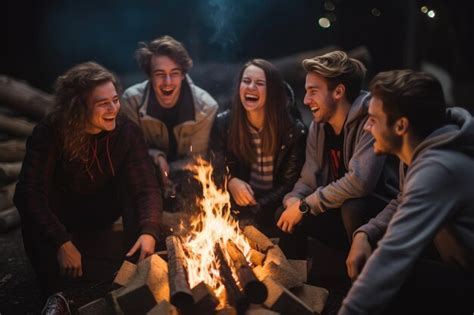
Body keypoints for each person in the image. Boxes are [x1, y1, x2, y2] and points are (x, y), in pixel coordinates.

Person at [13, 62, 162, 308]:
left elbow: (146, 187)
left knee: (137, 185)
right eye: (103, 103)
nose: (114, 108)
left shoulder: (126, 132)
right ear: (78, 107)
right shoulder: (50, 132)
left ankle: (133, 275)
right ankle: (55, 294)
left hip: (101, 211)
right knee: (31, 197)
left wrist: (149, 230)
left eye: (115, 100)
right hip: (62, 215)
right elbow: (28, 192)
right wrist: (61, 240)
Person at [340, 70, 474, 315]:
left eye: (373, 119)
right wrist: (364, 235)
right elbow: (403, 200)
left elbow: (394, 255)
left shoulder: (437, 170)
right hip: (452, 257)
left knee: (390, 275)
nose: (367, 128)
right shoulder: (422, 152)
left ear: (401, 126)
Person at [277, 51, 398, 258]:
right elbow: (309, 179)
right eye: (306, 91)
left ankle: (365, 276)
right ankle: (295, 283)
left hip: (380, 215)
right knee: (284, 216)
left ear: (338, 92)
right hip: (337, 209)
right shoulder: (319, 125)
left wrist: (305, 206)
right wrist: (294, 200)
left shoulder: (370, 121)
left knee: (353, 207)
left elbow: (360, 182)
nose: (306, 100)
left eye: (313, 91)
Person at [210, 59, 306, 235]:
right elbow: (214, 167)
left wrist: (257, 207)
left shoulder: (293, 130)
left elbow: (289, 183)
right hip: (236, 206)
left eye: (259, 83)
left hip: (275, 206)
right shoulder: (224, 123)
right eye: (246, 81)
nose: (251, 87)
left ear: (272, 92)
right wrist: (230, 181)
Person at [121, 35, 218, 203]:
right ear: (149, 75)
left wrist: (168, 169)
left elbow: (198, 159)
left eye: (174, 73)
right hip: (144, 176)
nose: (167, 82)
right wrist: (156, 157)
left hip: (186, 178)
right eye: (160, 74)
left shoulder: (206, 107)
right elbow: (131, 153)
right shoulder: (131, 101)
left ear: (183, 75)